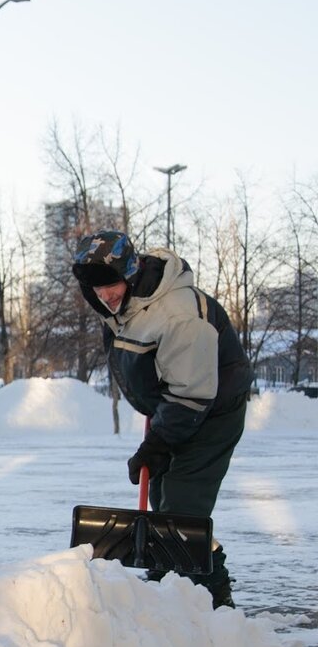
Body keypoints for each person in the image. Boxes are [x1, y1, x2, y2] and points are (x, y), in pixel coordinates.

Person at [71, 230, 253, 609]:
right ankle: (186, 577)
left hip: (211, 411)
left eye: (110, 284)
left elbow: (192, 392)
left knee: (182, 506)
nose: (105, 295)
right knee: (163, 501)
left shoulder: (178, 315)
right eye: (96, 288)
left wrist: (156, 444)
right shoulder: (124, 306)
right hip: (172, 408)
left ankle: (204, 599)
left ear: (130, 273)